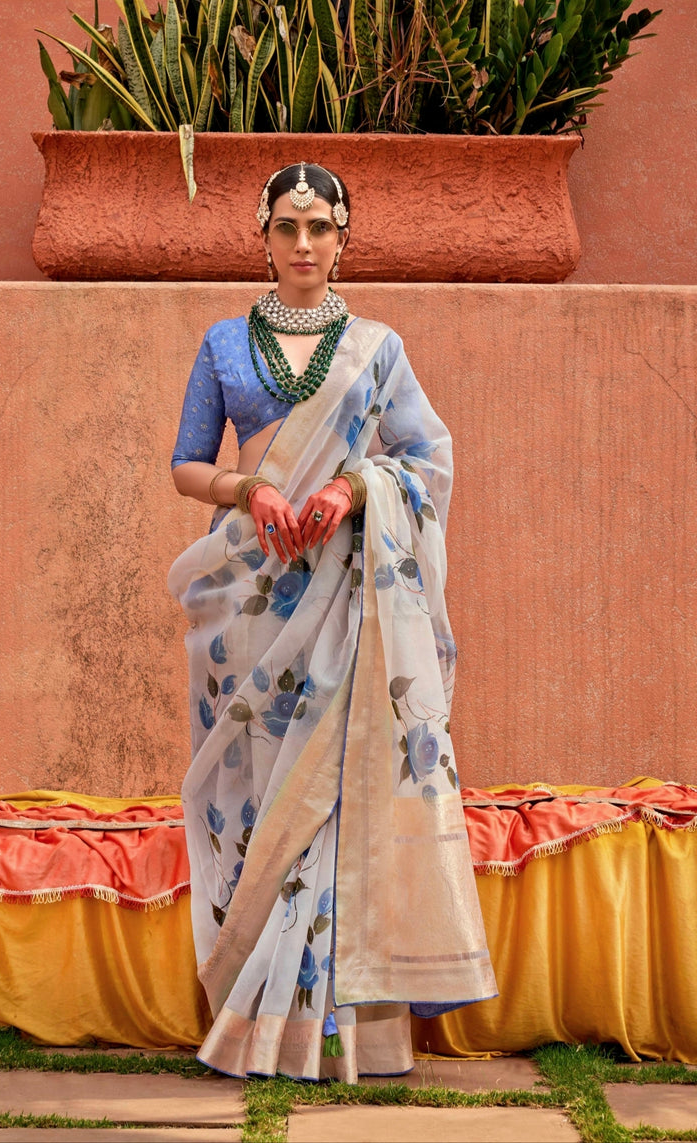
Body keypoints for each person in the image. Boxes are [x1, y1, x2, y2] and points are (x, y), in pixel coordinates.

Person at [168, 163, 496, 1081]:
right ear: (264, 237)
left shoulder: (377, 349)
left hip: (349, 601)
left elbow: (426, 458)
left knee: (339, 789)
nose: (303, 243)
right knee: (256, 793)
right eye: (287, 226)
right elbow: (186, 464)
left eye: (319, 227)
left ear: (343, 239)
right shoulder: (225, 344)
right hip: (248, 598)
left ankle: (352, 1032)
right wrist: (251, 488)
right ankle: (250, 1009)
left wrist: (356, 485)